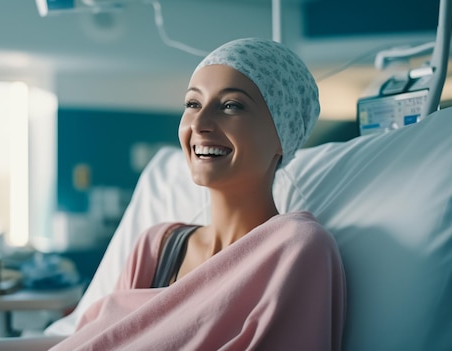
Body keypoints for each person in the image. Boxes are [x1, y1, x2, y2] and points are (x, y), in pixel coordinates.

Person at [50, 38, 346, 350]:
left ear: (282, 134)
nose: (200, 124)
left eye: (231, 105)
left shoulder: (296, 247)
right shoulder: (158, 247)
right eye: (193, 104)